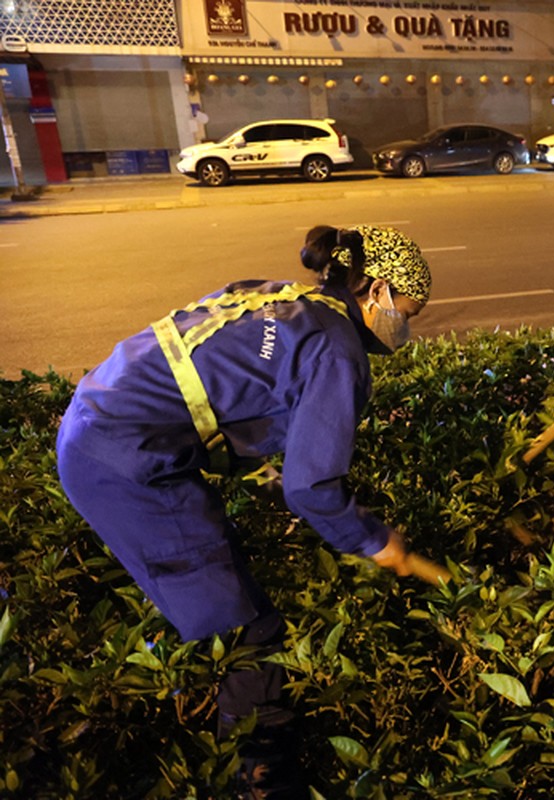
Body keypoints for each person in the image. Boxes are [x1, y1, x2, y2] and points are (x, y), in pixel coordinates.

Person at [56, 224, 434, 798]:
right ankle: (257, 780)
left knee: (227, 590)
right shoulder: (336, 347)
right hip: (125, 462)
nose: (406, 325)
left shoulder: (289, 301)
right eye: (407, 310)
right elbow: (312, 490)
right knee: (248, 634)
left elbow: (233, 384)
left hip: (100, 420)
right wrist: (377, 541)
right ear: (376, 289)